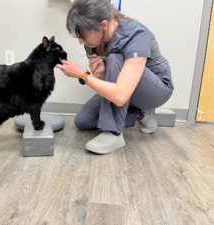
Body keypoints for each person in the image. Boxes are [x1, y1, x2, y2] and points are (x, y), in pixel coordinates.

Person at [56, 0, 174, 154]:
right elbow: (104, 84)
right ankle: (140, 113)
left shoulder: (135, 34)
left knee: (116, 57)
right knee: (83, 120)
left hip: (157, 90)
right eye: (78, 35)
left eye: (83, 34)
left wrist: (82, 75)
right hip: (126, 91)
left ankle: (114, 133)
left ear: (104, 24)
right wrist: (99, 73)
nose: (80, 41)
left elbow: (119, 96)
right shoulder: (92, 42)